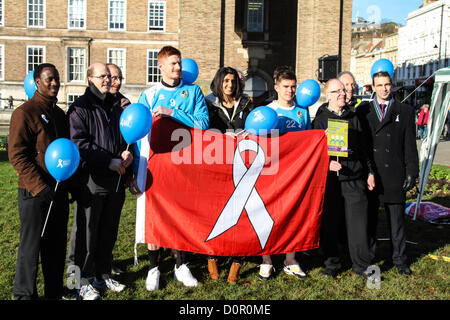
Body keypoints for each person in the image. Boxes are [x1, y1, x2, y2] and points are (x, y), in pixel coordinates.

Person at [129, 46, 209, 291]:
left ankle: (181, 265)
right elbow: (136, 134)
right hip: (156, 165)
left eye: (179, 63)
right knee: (154, 214)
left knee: (182, 215)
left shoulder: (194, 91)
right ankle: (154, 268)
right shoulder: (150, 95)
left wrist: (172, 112)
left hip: (185, 165)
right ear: (160, 66)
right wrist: (135, 170)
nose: (178, 68)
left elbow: (203, 123)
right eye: (173, 64)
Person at [67, 62, 134, 300]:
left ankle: (102, 274)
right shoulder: (80, 108)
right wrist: (108, 161)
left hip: (115, 179)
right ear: (90, 78)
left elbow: (125, 136)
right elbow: (79, 144)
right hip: (91, 180)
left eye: (109, 75)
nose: (107, 79)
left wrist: (127, 154)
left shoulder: (115, 106)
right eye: (102, 76)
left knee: (108, 232)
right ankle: (77, 281)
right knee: (84, 234)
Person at [8, 63, 69, 299]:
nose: (54, 83)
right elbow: (17, 155)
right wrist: (39, 186)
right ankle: (24, 294)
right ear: (36, 82)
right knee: (30, 249)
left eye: (56, 78)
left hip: (57, 193)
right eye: (49, 79)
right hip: (34, 194)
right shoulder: (24, 113)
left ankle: (53, 292)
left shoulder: (59, 115)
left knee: (55, 250)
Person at [357, 71, 419, 276]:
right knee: (370, 220)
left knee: (397, 221)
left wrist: (412, 170)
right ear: (372, 87)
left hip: (395, 173)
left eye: (387, 84)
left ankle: (400, 259)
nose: (384, 88)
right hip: (372, 174)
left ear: (392, 86)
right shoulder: (363, 110)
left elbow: (410, 145)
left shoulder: (405, 110)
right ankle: (370, 257)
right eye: (380, 85)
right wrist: (366, 170)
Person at [312, 78, 375, 278]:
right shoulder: (320, 119)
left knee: (358, 225)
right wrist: (327, 163)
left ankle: (361, 266)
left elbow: (365, 148)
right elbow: (314, 151)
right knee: (330, 224)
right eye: (337, 91)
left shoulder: (354, 116)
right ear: (328, 95)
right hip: (331, 181)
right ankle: (331, 265)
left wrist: (370, 172)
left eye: (343, 90)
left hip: (354, 178)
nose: (342, 94)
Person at [258, 66, 311, 280]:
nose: (290, 91)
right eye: (286, 87)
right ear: (276, 87)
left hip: (296, 172)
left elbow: (309, 140)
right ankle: (266, 260)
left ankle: (291, 259)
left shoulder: (303, 111)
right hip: (272, 171)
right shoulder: (267, 111)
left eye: (293, 87)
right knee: (266, 215)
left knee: (294, 214)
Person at [205, 66, 254, 283]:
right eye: (225, 81)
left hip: (242, 165)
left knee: (241, 216)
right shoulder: (208, 104)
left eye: (233, 81)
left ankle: (235, 266)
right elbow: (201, 130)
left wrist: (249, 133)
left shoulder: (247, 103)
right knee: (215, 215)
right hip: (215, 166)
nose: (230, 85)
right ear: (219, 82)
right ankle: (212, 259)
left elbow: (257, 127)